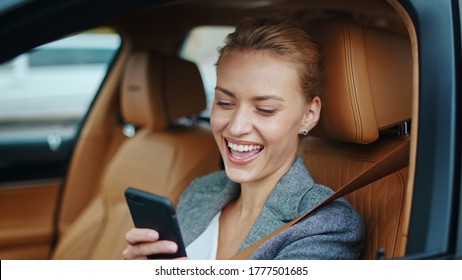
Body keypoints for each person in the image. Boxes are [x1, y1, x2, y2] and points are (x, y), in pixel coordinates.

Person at [123, 15, 364, 260]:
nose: (236, 127)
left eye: (265, 109)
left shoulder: (326, 225)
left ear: (308, 115)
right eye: (225, 103)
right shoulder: (200, 192)